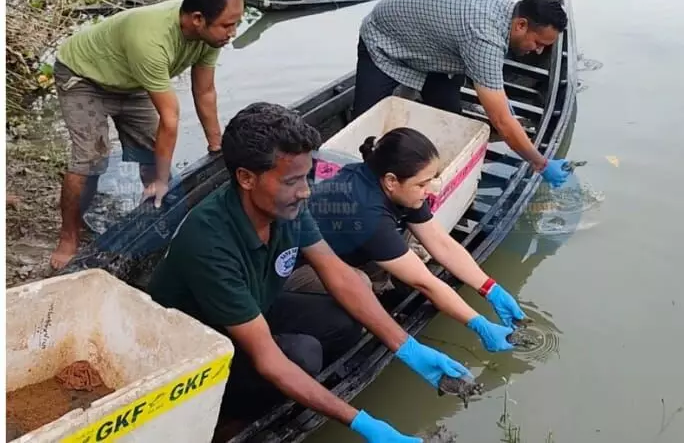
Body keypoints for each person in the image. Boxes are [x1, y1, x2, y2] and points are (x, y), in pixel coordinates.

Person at [148, 102, 471, 443]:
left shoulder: (286, 205)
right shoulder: (209, 242)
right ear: (246, 178)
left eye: (306, 175)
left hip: (253, 308)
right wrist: (362, 422)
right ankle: (230, 421)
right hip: (196, 351)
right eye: (291, 180)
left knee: (344, 320)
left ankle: (294, 396)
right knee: (302, 355)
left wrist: (408, 348)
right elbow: (269, 359)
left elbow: (338, 274)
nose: (305, 190)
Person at [49, 0, 243, 270]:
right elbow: (170, 118)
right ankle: (68, 236)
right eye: (228, 25)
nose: (233, 32)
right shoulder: (151, 39)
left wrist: (216, 145)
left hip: (132, 80)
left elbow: (204, 92)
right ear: (197, 19)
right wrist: (162, 180)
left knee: (154, 152)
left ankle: (153, 221)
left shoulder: (210, 38)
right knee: (90, 158)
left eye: (237, 23)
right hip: (84, 76)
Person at [294, 127, 529, 353]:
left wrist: (490, 288)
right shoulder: (366, 210)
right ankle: (361, 325)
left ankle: (382, 291)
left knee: (409, 240)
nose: (429, 190)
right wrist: (479, 324)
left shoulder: (401, 188)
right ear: (391, 181)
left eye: (431, 180)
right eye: (422, 184)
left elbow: (441, 243)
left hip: (346, 249)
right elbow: (424, 283)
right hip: (297, 270)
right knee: (360, 283)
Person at [352, 0, 572, 188]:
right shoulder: (484, 38)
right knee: (363, 131)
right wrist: (541, 164)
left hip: (437, 53)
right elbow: (502, 122)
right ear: (521, 25)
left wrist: (504, 106)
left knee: (450, 122)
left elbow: (496, 95)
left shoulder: (506, 10)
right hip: (384, 39)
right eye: (538, 43)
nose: (539, 51)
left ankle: (435, 178)